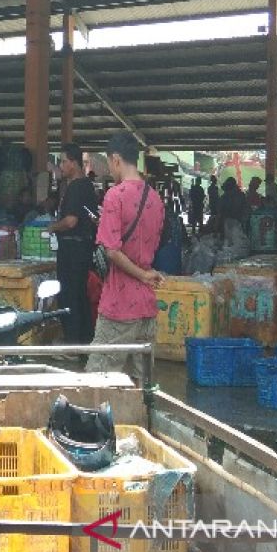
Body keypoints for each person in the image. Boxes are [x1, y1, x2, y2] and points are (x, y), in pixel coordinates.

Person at [85, 132, 165, 376]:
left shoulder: (115, 195)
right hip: (146, 304)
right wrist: (144, 274)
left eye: (109, 163)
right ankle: (144, 415)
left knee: (98, 378)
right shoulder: (155, 198)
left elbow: (111, 250)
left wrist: (140, 275)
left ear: (116, 159)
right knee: (143, 383)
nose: (110, 170)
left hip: (119, 302)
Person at [49, 143, 100, 344]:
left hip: (72, 249)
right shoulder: (88, 186)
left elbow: (71, 221)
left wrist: (53, 227)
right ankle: (84, 341)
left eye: (63, 161)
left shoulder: (76, 187)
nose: (60, 166)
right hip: (84, 248)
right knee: (80, 295)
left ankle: (71, 344)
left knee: (69, 296)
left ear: (73, 162)